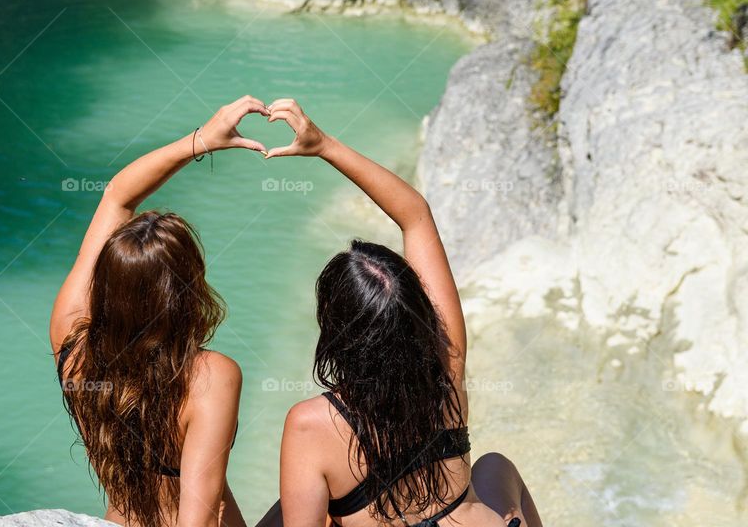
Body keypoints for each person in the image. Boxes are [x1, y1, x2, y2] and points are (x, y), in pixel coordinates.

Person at [262, 99, 542, 527]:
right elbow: (415, 215)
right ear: (415, 313)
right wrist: (325, 146)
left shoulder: (311, 424)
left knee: (283, 513)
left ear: (337, 334)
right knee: (494, 466)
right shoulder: (447, 361)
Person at [50, 96, 271, 527]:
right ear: (189, 291)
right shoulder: (211, 376)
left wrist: (202, 140)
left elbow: (117, 196)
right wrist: (205, 141)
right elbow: (201, 517)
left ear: (107, 283)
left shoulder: (71, 341)